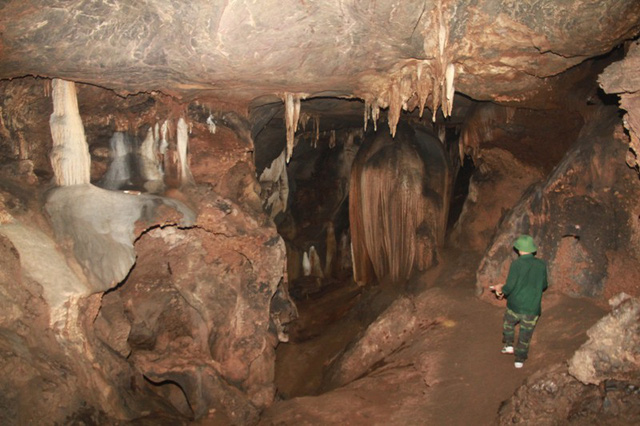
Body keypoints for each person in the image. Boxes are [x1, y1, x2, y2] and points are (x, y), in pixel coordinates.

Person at [491, 234, 548, 369]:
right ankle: (519, 360)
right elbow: (544, 284)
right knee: (525, 334)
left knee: (508, 323)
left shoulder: (517, 264)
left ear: (519, 250)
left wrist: (500, 289)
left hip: (515, 305)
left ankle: (509, 345)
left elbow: (509, 287)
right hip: (532, 307)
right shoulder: (541, 264)